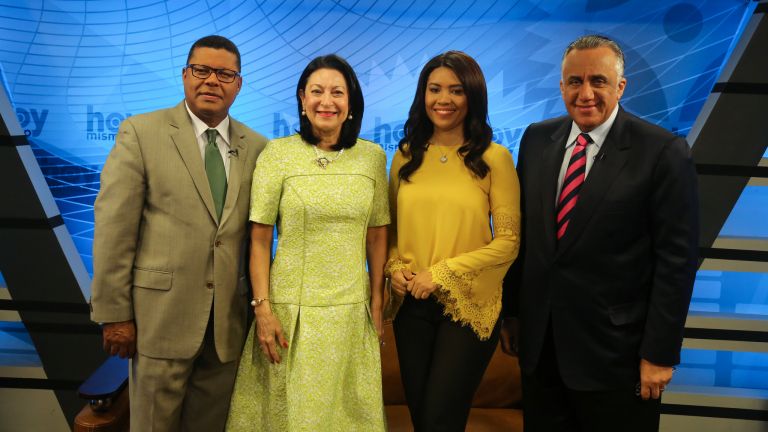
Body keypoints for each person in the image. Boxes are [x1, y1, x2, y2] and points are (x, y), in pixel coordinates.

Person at [501, 35, 698, 432]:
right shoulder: (537, 139)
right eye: (574, 81)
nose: (585, 93)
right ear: (561, 86)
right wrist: (513, 313)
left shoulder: (662, 151)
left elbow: (676, 262)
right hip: (541, 352)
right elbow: (526, 238)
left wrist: (660, 354)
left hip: (618, 359)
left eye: (598, 81)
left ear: (621, 87)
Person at [90, 35, 267, 430]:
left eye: (224, 74)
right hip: (158, 321)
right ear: (185, 75)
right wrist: (114, 314)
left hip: (227, 327)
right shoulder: (141, 133)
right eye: (201, 70)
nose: (211, 81)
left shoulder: (257, 147)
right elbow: (114, 229)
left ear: (239, 84)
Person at [225, 54, 389, 431]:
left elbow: (378, 233)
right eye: (316, 91)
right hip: (288, 315)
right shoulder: (278, 154)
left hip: (350, 312)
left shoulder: (372, 158)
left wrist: (377, 302)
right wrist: (263, 310)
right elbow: (260, 238)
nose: (326, 101)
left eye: (337, 92)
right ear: (302, 99)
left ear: (351, 103)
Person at [386, 51, 521, 431]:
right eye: (434, 89)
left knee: (441, 418)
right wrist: (394, 267)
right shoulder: (404, 156)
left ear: (472, 96)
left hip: (468, 303)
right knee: (422, 417)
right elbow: (392, 232)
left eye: (456, 90)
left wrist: (442, 273)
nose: (443, 100)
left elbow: (509, 242)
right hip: (412, 302)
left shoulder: (495, 158)